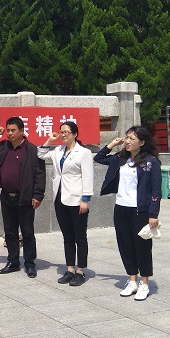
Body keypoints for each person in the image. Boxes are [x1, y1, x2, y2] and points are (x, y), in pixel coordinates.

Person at [94, 126, 161, 301]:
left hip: (140, 210)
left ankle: (144, 283)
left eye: (132, 138)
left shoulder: (150, 162)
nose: (127, 141)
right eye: (127, 137)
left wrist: (153, 214)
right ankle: (132, 281)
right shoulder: (120, 158)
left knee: (142, 247)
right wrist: (112, 144)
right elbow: (98, 158)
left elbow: (156, 190)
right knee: (125, 245)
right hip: (121, 207)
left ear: (142, 142)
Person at [0, 117, 46, 278]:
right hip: (6, 196)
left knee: (27, 232)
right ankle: (13, 261)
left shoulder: (32, 150)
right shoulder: (3, 146)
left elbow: (40, 174)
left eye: (13, 130)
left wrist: (38, 195)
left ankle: (30, 263)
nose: (10, 133)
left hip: (25, 198)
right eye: (8, 130)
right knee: (10, 231)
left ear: (22, 131)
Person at [38, 121, 94, 286]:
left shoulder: (83, 153)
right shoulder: (58, 151)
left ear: (75, 134)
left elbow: (88, 177)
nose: (63, 134)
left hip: (77, 200)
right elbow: (40, 154)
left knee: (80, 237)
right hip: (60, 198)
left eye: (66, 132)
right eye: (61, 132)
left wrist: (85, 200)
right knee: (67, 236)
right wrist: (50, 140)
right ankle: (70, 269)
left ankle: (80, 271)